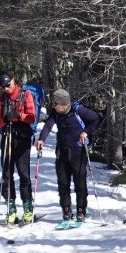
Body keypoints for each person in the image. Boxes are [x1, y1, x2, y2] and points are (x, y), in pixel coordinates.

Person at [35, 89, 101, 228]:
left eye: (55, 104)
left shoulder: (78, 110)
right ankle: (66, 211)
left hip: (77, 150)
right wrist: (41, 139)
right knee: (63, 183)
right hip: (62, 151)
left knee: (80, 183)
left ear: (64, 104)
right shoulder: (55, 113)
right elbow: (48, 126)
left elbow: (96, 118)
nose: (53, 106)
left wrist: (86, 132)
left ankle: (81, 211)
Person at [0, 71, 38, 224]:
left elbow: (32, 116)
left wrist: (19, 116)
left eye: (8, 84)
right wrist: (5, 119)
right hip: (7, 137)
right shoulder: (2, 98)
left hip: (22, 138)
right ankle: (10, 207)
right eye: (3, 86)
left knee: (24, 174)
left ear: (13, 81)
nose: (6, 88)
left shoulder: (25, 95)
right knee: (6, 174)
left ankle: (27, 207)